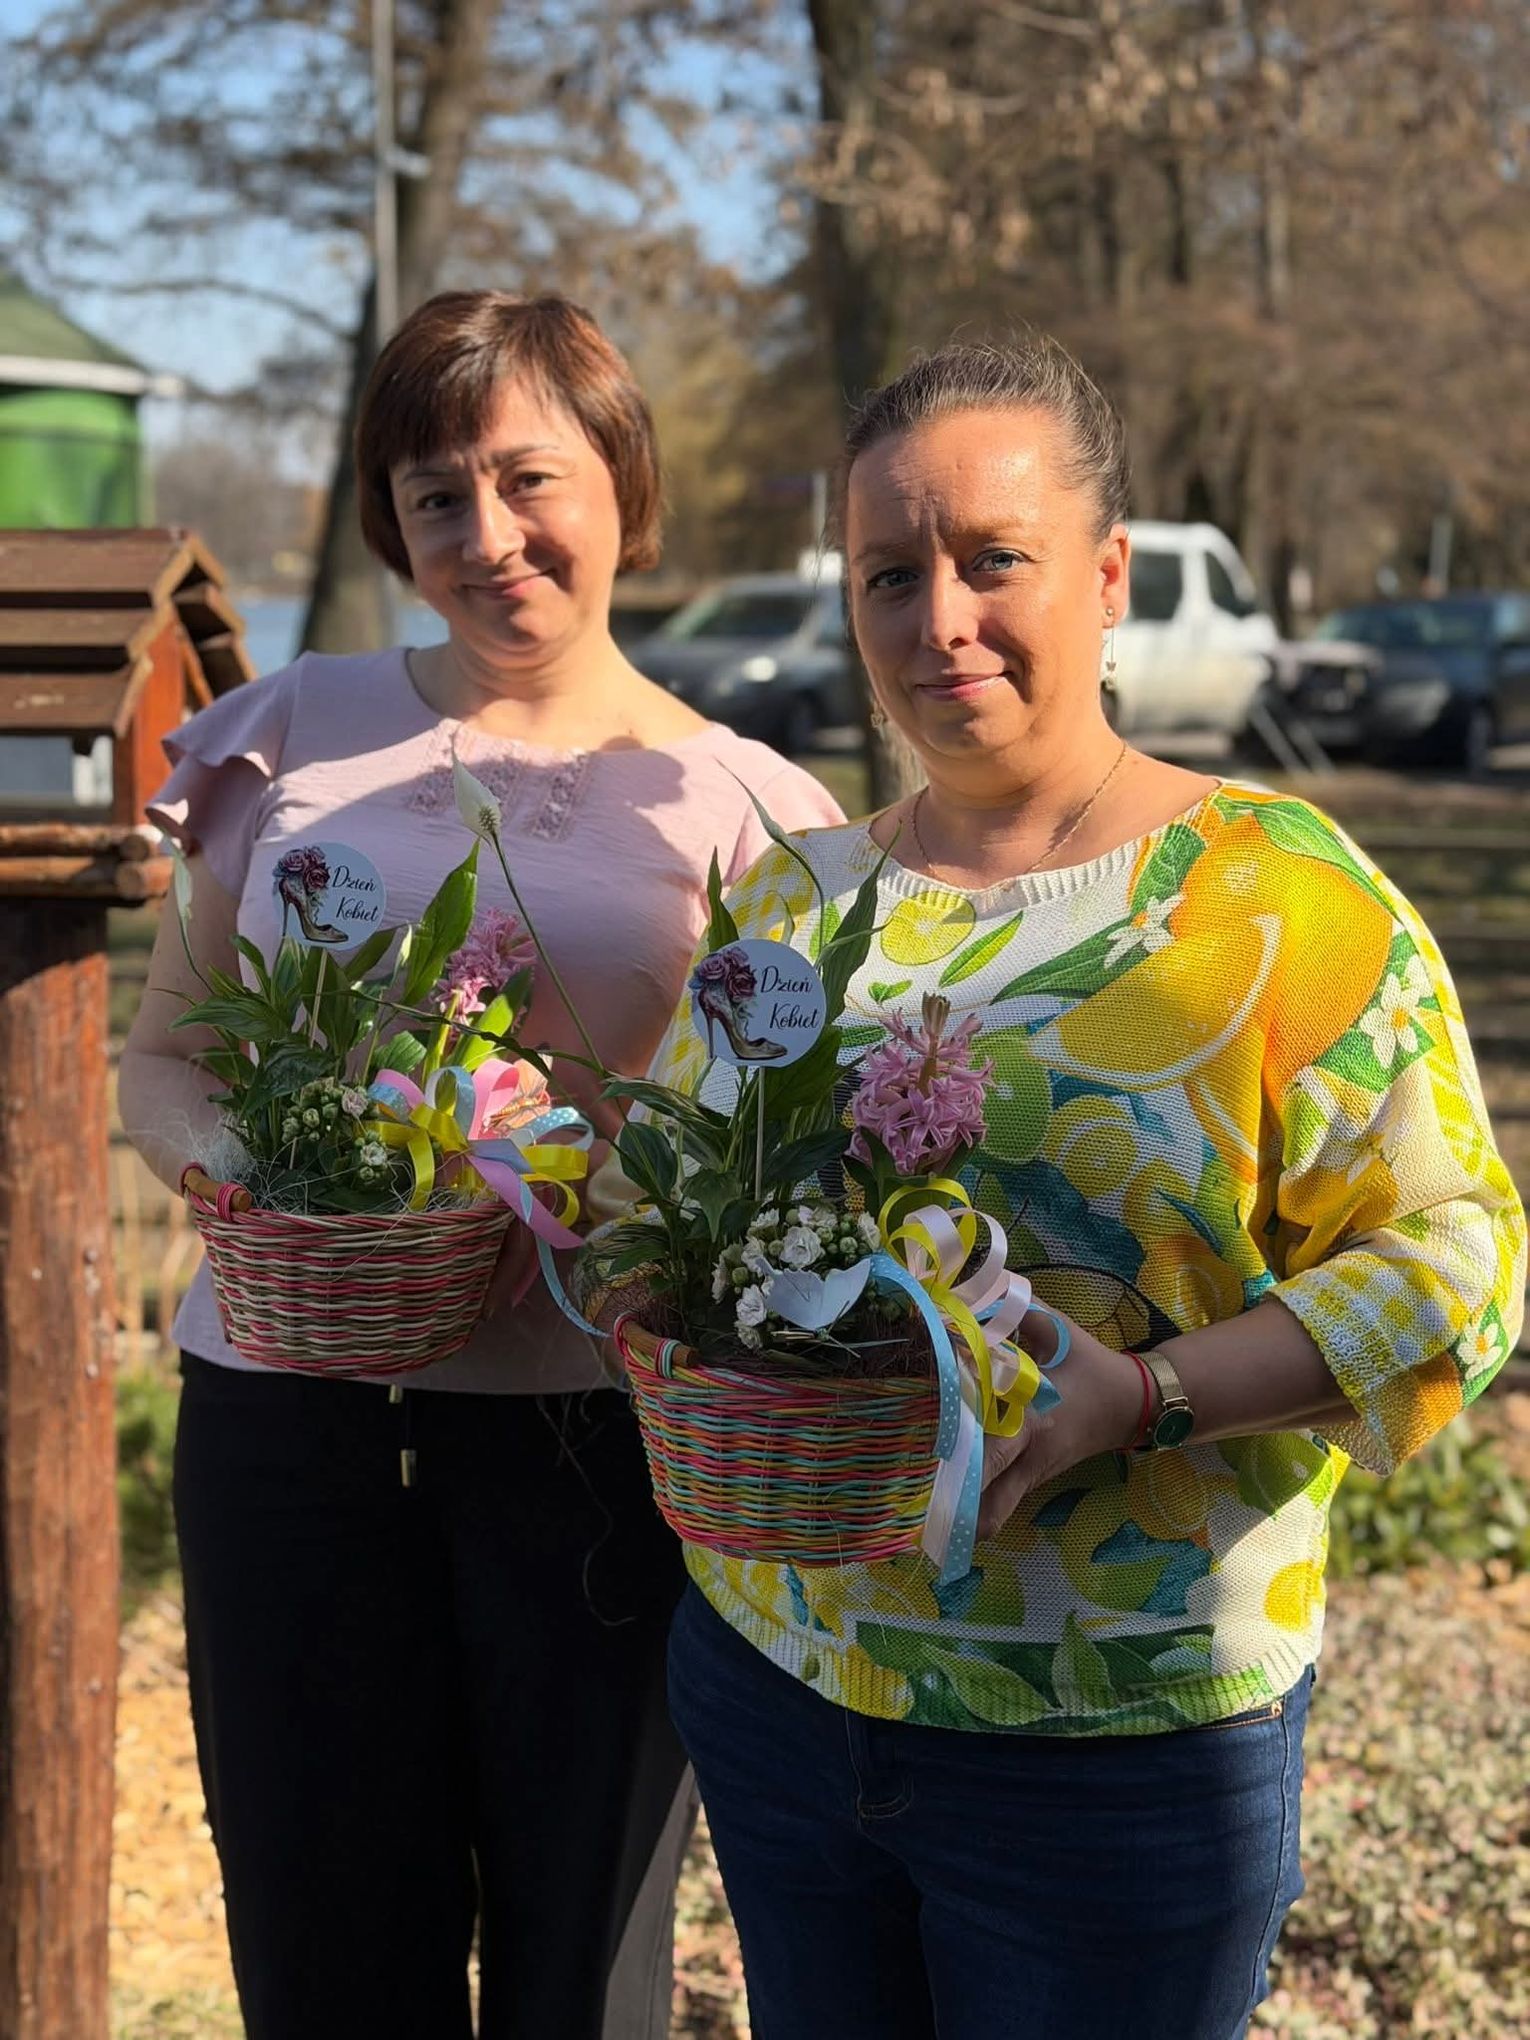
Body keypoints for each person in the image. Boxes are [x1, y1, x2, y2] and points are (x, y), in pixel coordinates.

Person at [630, 337, 1526, 2039]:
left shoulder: (1275, 899)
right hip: (780, 1685)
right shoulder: (791, 902)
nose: (939, 620)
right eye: (889, 576)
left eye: (993, 559)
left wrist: (1145, 1396)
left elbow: (1457, 1263)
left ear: (1107, 577)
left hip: (1118, 1740)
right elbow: (669, 1200)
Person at [118, 289, 843, 2040]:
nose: (487, 535)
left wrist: (629, 1214)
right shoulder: (294, 728)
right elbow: (169, 1060)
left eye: (528, 479)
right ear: (391, 520)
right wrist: (280, 1181)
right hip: (290, 1419)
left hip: (591, 1436)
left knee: (580, 1965)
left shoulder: (755, 807)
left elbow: (769, 1152)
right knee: (321, 1951)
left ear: (620, 484)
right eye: (434, 495)